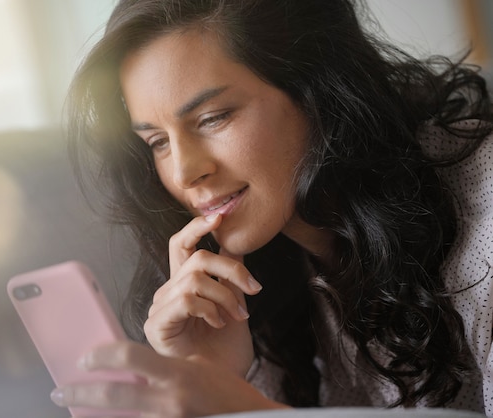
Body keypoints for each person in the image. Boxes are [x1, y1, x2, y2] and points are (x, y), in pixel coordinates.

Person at [49, 0, 493, 416]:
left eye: (213, 117)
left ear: (319, 89)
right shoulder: (255, 284)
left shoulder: (485, 210)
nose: (184, 173)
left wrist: (250, 412)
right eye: (158, 142)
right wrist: (214, 377)